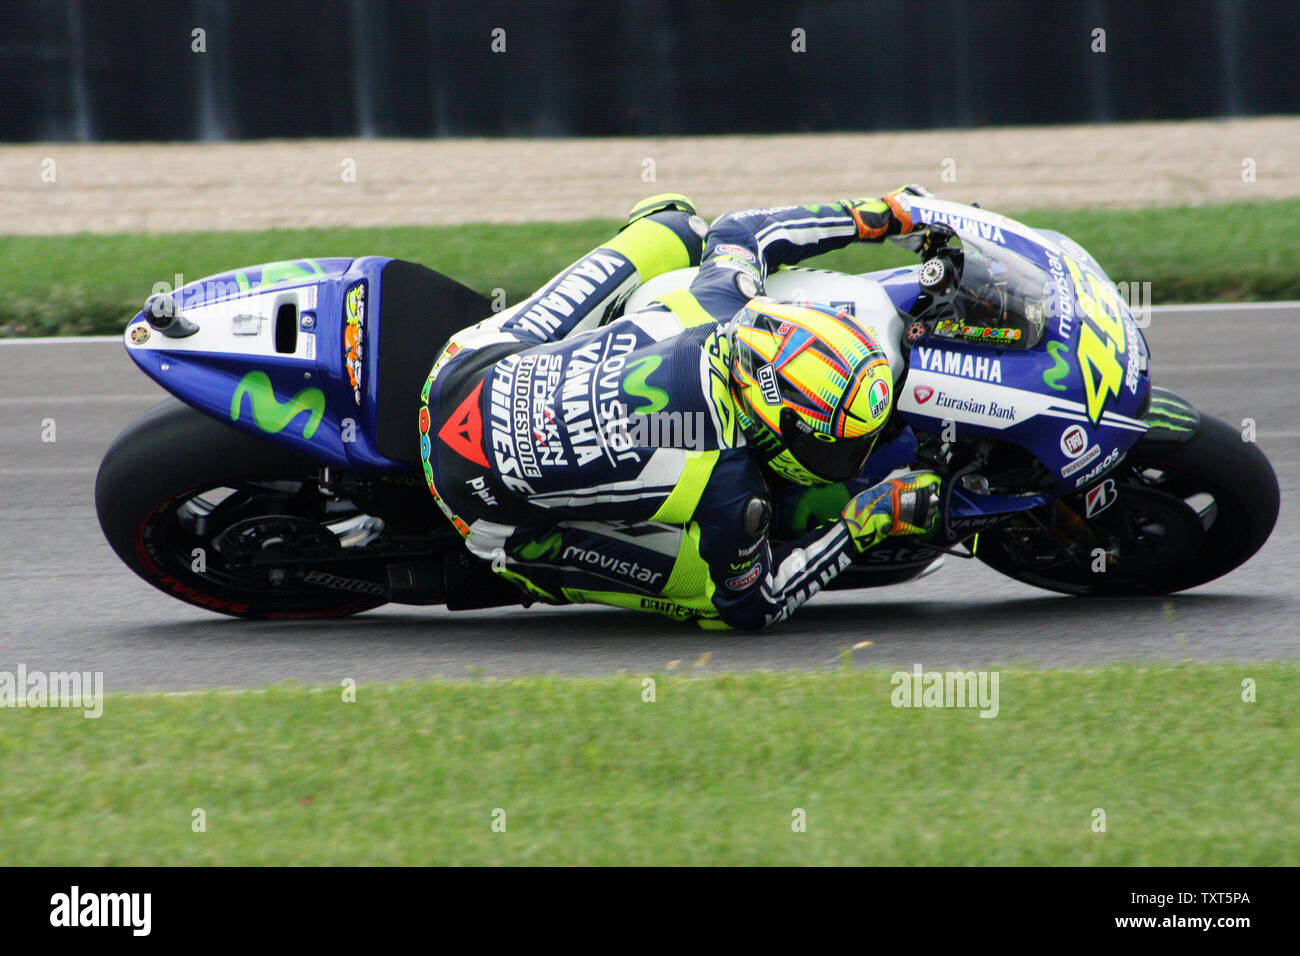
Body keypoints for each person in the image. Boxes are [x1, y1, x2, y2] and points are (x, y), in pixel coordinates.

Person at [417, 188, 942, 629]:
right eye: (839, 446)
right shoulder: (734, 493)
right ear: (778, 429)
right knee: (710, 599)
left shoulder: (723, 298)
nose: (851, 453)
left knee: (678, 224)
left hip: (464, 370)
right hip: (479, 508)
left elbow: (744, 229)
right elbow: (755, 604)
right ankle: (534, 569)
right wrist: (871, 520)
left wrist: (875, 216)